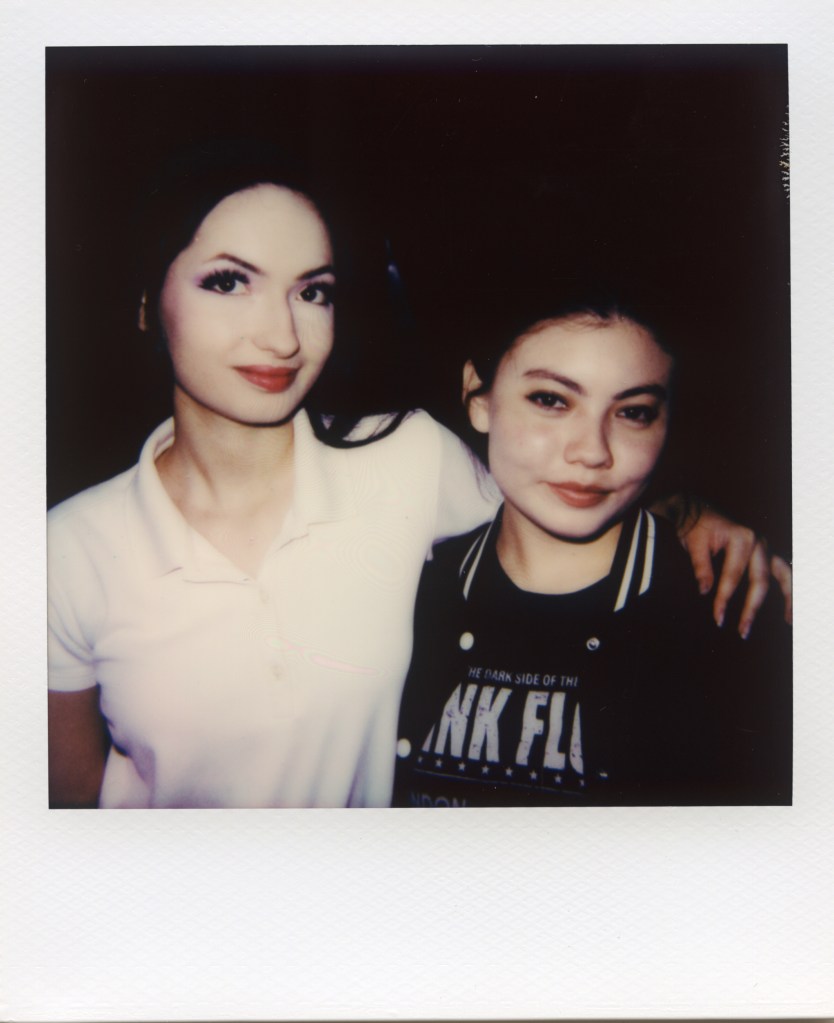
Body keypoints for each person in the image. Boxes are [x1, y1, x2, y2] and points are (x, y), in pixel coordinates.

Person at [48, 142, 787, 809]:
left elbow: (559, 489)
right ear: (145, 303)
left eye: (313, 291)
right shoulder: (66, 551)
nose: (280, 335)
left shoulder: (406, 457)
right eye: (228, 281)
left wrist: (689, 514)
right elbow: (69, 804)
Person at [393, 292, 791, 807]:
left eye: (634, 412)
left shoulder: (731, 610)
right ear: (479, 397)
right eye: (551, 400)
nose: (593, 451)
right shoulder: (408, 592)